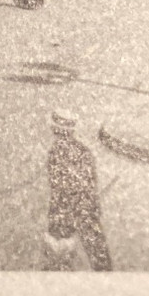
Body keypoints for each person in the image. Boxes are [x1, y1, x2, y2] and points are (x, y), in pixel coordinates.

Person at [43, 111, 112, 272]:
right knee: (96, 247)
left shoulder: (55, 152)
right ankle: (105, 275)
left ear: (55, 129)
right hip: (84, 205)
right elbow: (89, 181)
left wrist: (57, 213)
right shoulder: (83, 151)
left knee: (59, 253)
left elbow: (57, 187)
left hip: (65, 208)